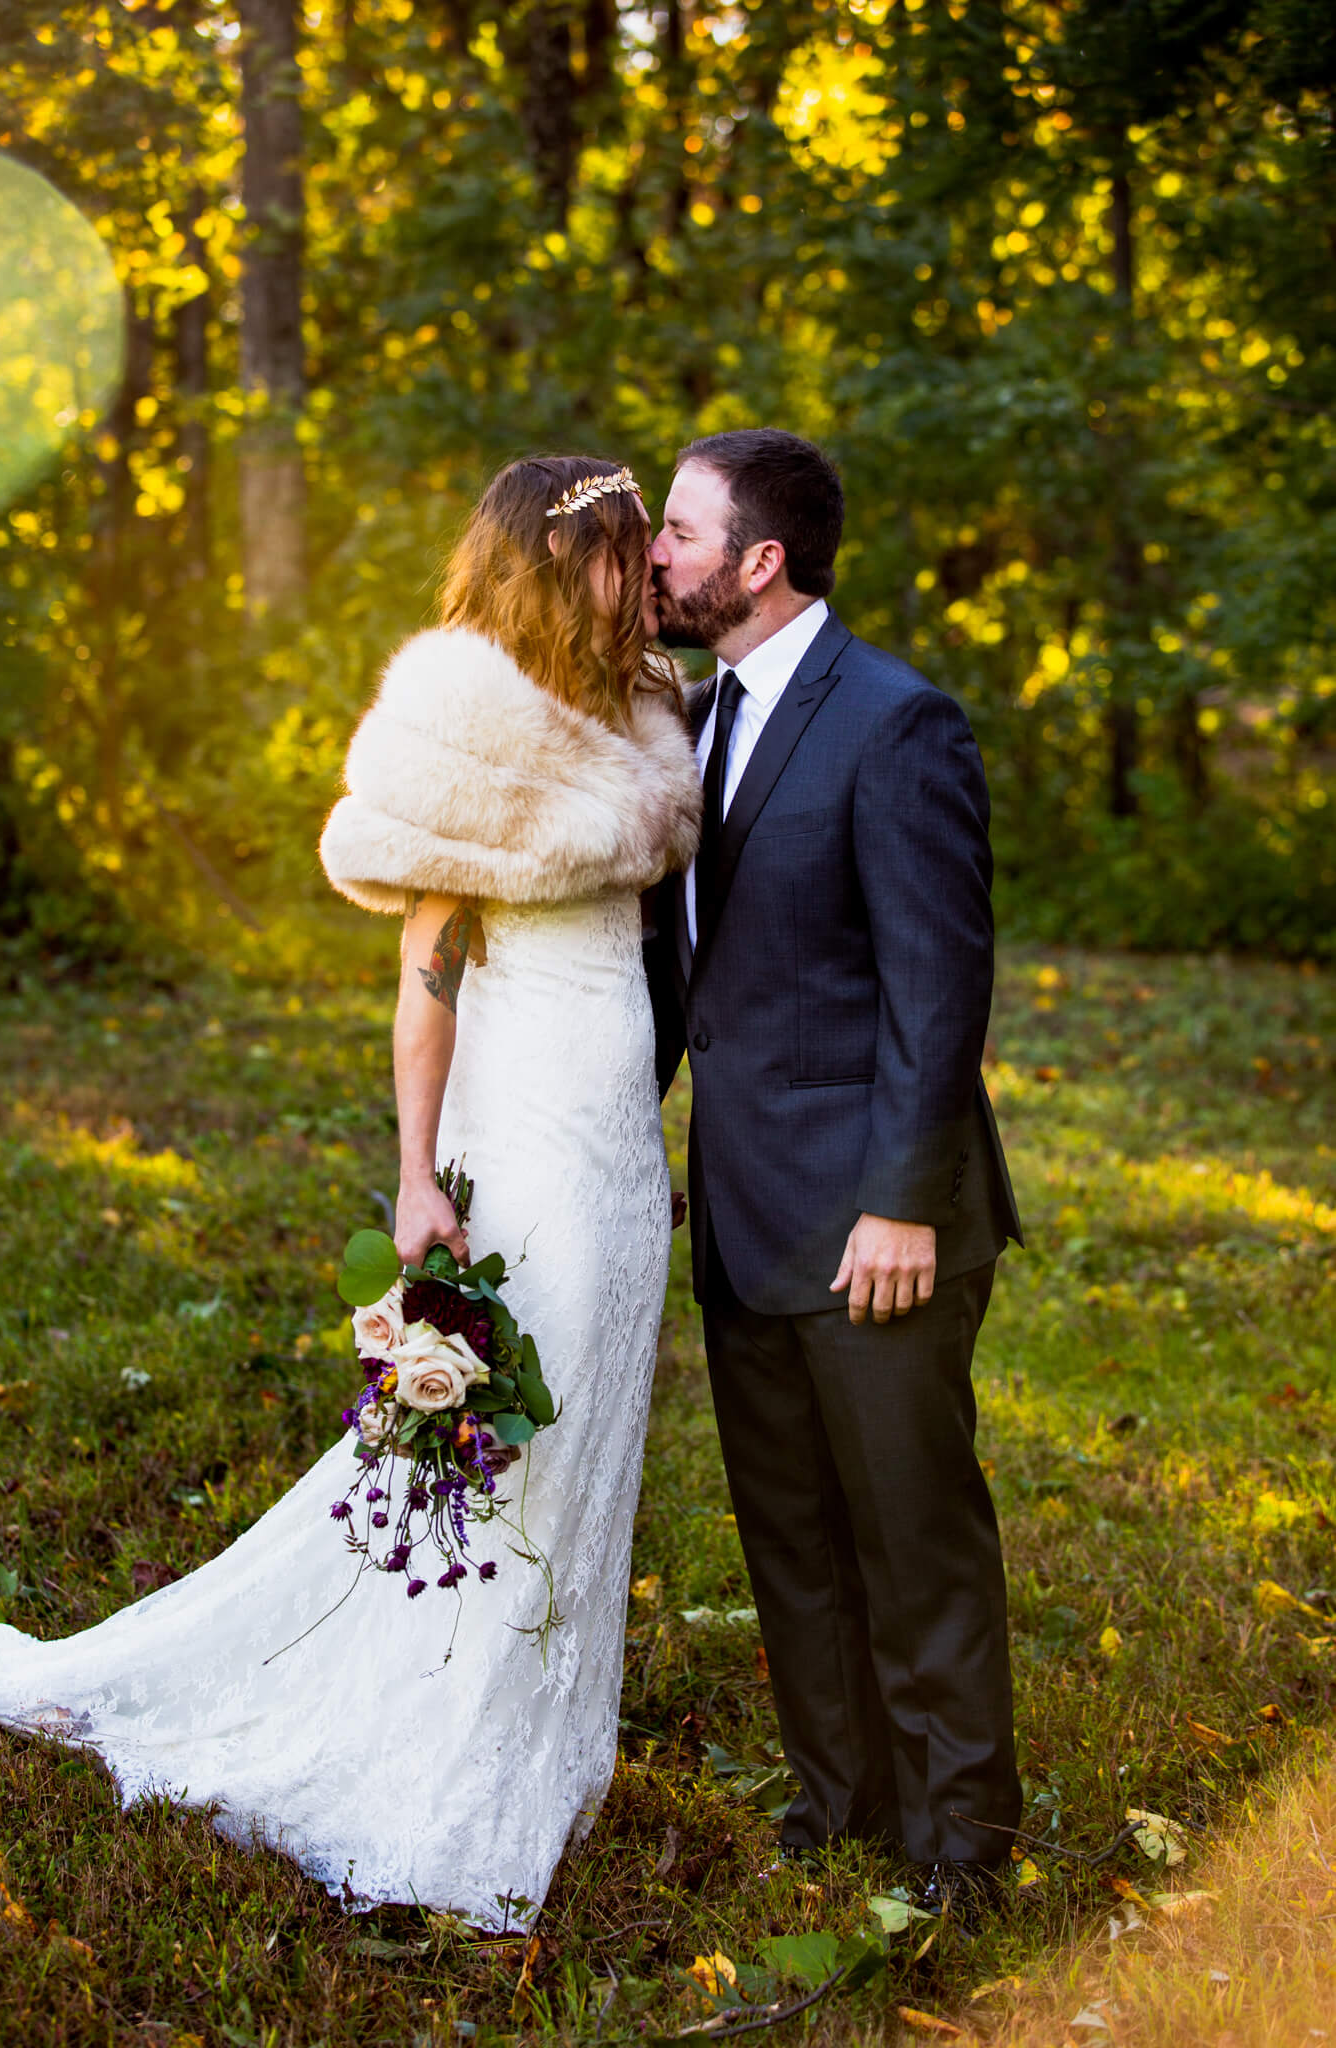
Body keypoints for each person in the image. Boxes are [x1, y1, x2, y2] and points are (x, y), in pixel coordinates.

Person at [0, 456, 701, 1926]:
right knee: (505, 1444)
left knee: (593, 1432)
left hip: (624, 1141)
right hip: (530, 1132)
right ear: (557, 568)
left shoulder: (645, 711)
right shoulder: (474, 726)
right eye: (623, 556)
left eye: (646, 554)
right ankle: (443, 1733)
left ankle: (549, 1733)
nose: (647, 580)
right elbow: (427, 980)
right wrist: (415, 1177)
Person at [644, 428, 1024, 1928]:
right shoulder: (689, 719)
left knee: (912, 1539)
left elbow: (941, 988)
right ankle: (840, 1801)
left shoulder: (897, 722)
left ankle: (961, 1845)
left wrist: (901, 1202)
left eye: (677, 531)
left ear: (759, 561)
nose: (656, 555)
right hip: (743, 1211)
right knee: (790, 1536)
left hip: (875, 1222)